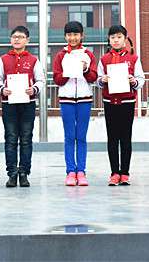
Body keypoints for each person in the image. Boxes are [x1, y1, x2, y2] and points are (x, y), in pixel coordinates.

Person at [0, 26, 45, 188]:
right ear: (10, 39)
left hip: (28, 104)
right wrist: (2, 89)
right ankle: (12, 173)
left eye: (21, 37)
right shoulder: (3, 59)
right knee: (10, 138)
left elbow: (41, 80)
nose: (17, 39)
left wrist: (33, 89)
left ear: (27, 40)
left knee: (26, 138)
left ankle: (24, 173)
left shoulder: (34, 60)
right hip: (9, 104)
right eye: (14, 36)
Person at [97, 25, 145, 186]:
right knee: (112, 138)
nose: (116, 40)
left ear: (125, 39)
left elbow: (141, 79)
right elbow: (98, 79)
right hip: (110, 102)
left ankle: (125, 173)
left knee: (125, 138)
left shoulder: (133, 58)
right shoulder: (104, 59)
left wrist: (134, 81)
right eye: (112, 37)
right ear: (109, 40)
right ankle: (114, 173)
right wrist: (102, 80)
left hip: (127, 102)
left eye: (119, 37)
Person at [52, 21, 98, 186]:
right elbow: (57, 79)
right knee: (70, 136)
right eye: (69, 34)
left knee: (82, 136)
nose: (73, 38)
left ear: (82, 35)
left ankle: (81, 171)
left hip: (85, 99)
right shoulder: (60, 55)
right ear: (65, 36)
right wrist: (67, 72)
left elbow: (93, 78)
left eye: (76, 34)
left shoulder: (88, 55)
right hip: (67, 100)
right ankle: (71, 171)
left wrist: (85, 69)